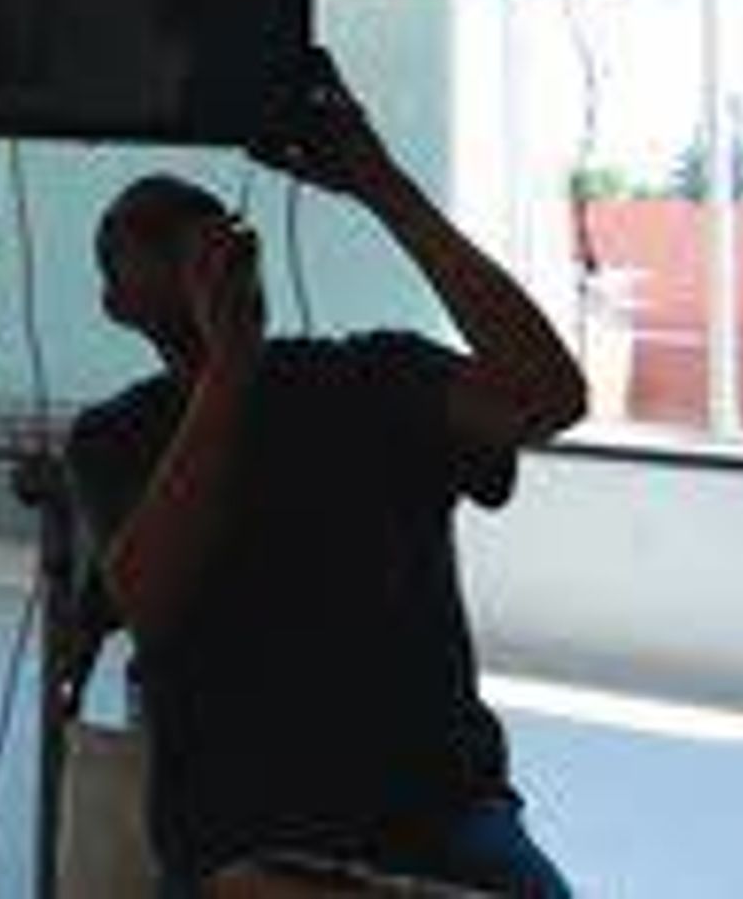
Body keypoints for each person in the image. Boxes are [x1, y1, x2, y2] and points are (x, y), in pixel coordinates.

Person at [64, 60, 590, 897]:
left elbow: (549, 395)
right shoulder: (115, 433)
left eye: (196, 226)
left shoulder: (373, 377)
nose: (183, 240)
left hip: (439, 816)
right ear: (115, 304)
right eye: (150, 234)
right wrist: (230, 369)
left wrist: (381, 185)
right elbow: (149, 598)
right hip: (244, 837)